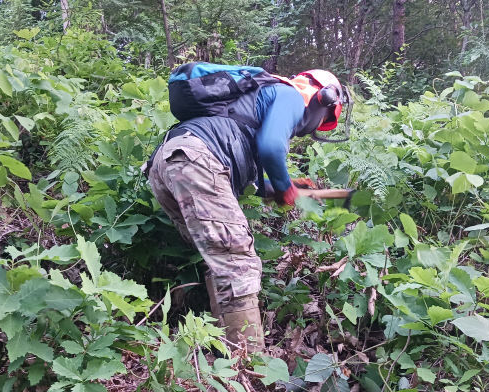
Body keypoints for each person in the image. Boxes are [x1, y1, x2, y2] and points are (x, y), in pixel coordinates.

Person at [147, 68, 349, 352]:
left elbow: (251, 183)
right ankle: (249, 367)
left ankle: (223, 358)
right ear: (323, 98)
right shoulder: (289, 94)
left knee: (222, 262)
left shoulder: (247, 113)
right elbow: (270, 148)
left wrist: (286, 186)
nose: (316, 127)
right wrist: (285, 186)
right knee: (237, 264)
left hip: (168, 162)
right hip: (197, 160)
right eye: (325, 119)